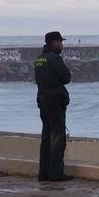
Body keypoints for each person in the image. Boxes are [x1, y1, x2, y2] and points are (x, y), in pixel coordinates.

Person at [34, 30, 72, 182]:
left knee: (46, 137)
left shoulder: (39, 59)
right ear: (54, 43)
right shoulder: (54, 58)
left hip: (43, 101)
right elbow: (66, 78)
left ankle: (43, 173)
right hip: (55, 101)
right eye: (60, 42)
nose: (62, 45)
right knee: (57, 138)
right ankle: (56, 173)